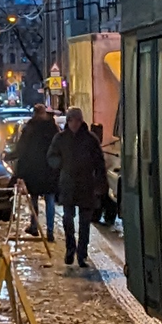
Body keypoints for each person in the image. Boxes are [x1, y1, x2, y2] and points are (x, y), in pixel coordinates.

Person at [49, 106, 105, 268]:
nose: (75, 124)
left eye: (77, 120)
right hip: (68, 185)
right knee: (68, 220)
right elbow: (52, 156)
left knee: (85, 223)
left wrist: (100, 183)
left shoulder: (90, 139)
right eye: (72, 120)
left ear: (81, 121)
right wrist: (60, 166)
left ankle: (82, 254)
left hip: (86, 185)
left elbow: (99, 162)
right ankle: (70, 249)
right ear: (68, 121)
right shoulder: (60, 138)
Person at [11, 103, 58, 240]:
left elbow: (22, 149)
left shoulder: (30, 128)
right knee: (49, 200)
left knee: (35, 199)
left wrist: (19, 169)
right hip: (50, 169)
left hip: (34, 169)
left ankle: (34, 226)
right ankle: (49, 231)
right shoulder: (52, 128)